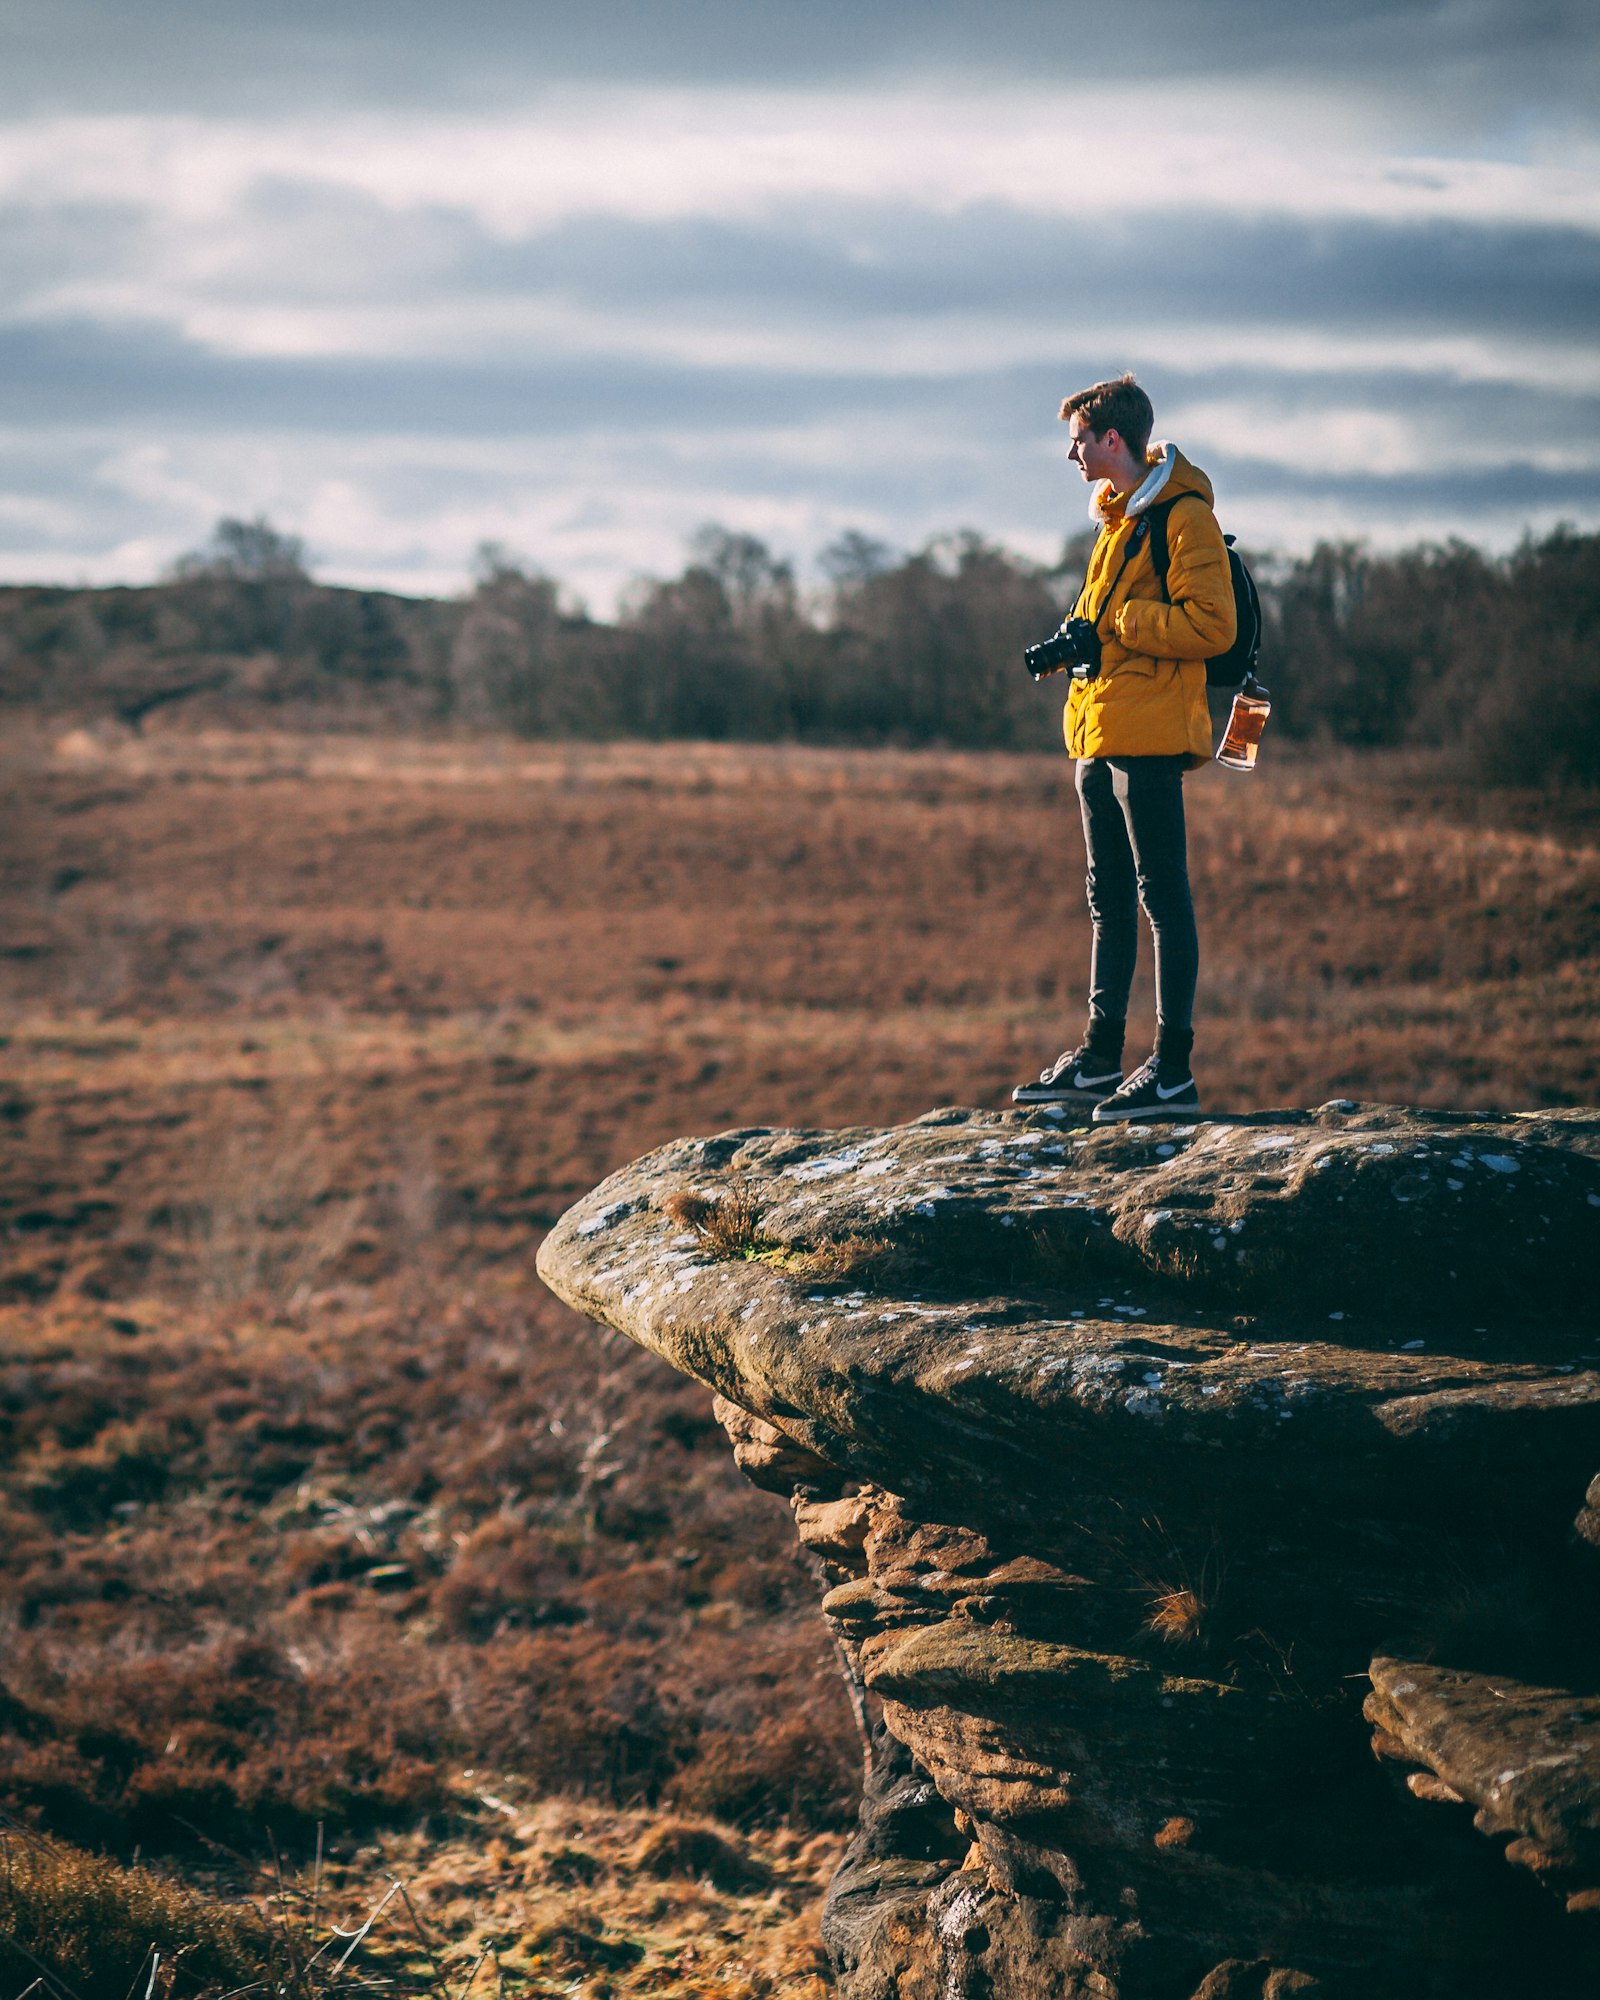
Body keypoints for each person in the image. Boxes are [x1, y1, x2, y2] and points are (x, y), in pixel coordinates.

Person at [1013, 373, 1234, 1122]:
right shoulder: (1114, 523)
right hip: (1098, 731)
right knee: (1107, 900)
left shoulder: (1183, 517)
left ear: (1113, 439)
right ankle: (1101, 1058)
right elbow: (1099, 621)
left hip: (1149, 736)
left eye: (1077, 440)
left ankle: (1172, 1070)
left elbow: (1214, 627)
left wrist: (1128, 623)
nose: (1070, 454)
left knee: (1163, 899)